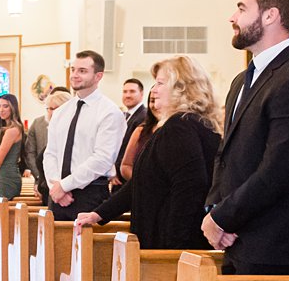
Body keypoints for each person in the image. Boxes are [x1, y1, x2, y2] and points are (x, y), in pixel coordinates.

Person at [202, 0, 289, 274]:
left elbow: (280, 169)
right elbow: (226, 156)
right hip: (238, 238)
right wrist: (216, 212)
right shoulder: (241, 80)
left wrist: (224, 218)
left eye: (242, 9)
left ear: (270, 15)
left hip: (275, 245)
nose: (232, 18)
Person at [77, 57, 221, 249]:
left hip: (171, 240)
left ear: (181, 88)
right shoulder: (195, 123)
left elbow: (190, 189)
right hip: (175, 237)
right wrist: (100, 214)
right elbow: (142, 181)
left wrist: (174, 249)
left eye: (160, 83)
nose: (153, 89)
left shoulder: (179, 127)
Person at [42, 50, 126, 222]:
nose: (75, 75)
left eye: (82, 71)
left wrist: (64, 186)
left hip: (90, 193)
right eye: (73, 69)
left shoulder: (109, 112)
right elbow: (50, 153)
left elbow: (102, 159)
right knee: (53, 247)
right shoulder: (62, 111)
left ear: (98, 76)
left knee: (87, 248)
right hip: (57, 196)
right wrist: (55, 187)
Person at [23, 87, 69, 206]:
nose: (49, 111)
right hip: (48, 186)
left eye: (53, 108)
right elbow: (30, 153)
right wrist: (38, 178)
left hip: (63, 190)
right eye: (48, 108)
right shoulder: (39, 124)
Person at [0, 93, 25, 201]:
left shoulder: (12, 130)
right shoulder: (8, 129)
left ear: (13, 108)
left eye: (5, 106)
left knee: (1, 214)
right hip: (2, 175)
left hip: (7, 177)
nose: (1, 110)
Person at [117, 85, 160, 183]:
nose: (156, 105)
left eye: (132, 91)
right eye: (152, 101)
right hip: (138, 187)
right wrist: (143, 184)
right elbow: (126, 165)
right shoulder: (141, 130)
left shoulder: (180, 132)